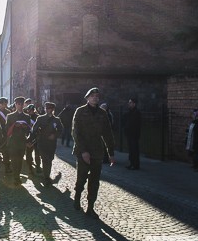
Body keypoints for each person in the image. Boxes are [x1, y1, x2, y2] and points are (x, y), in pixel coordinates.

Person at [72, 87, 115, 218]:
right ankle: (77, 195)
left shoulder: (102, 113)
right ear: (87, 98)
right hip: (82, 150)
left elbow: (108, 133)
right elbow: (76, 133)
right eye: (92, 96)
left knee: (94, 181)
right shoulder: (80, 111)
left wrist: (111, 153)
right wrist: (84, 151)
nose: (95, 98)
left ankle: (90, 207)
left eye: (97, 96)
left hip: (97, 151)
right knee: (81, 178)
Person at [32, 102, 63, 186]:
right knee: (45, 160)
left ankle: (46, 175)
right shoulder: (40, 118)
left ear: (53, 109)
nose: (47, 110)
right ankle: (46, 177)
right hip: (42, 142)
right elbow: (34, 129)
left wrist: (55, 135)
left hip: (52, 144)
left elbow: (60, 130)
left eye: (49, 108)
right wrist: (30, 139)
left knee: (49, 159)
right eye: (46, 108)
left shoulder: (56, 120)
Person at [4, 96, 32, 185]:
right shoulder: (10, 116)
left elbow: (29, 130)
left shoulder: (27, 116)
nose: (20, 106)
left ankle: (17, 174)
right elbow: (6, 129)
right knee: (13, 159)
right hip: (13, 141)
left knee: (20, 160)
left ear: (23, 105)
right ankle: (16, 177)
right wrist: (14, 126)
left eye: (21, 104)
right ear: (15, 104)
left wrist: (25, 127)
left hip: (22, 141)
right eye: (18, 104)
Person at [0, 97, 12, 173]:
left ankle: (7, 167)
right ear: (0, 104)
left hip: (6, 135)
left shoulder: (8, 112)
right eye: (4, 104)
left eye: (6, 104)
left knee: (6, 152)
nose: (6, 105)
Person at [124, 97, 142, 170]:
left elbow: (135, 124)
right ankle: (131, 163)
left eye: (130, 102)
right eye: (129, 102)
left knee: (135, 150)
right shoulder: (130, 112)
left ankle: (135, 165)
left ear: (134, 104)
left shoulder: (137, 113)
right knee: (131, 150)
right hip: (129, 134)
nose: (129, 104)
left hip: (134, 134)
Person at [24, 104, 41, 175]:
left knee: (37, 154)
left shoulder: (38, 117)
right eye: (29, 110)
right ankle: (30, 168)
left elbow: (40, 129)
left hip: (36, 138)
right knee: (28, 155)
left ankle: (38, 167)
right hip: (28, 138)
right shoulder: (26, 117)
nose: (30, 111)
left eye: (31, 110)